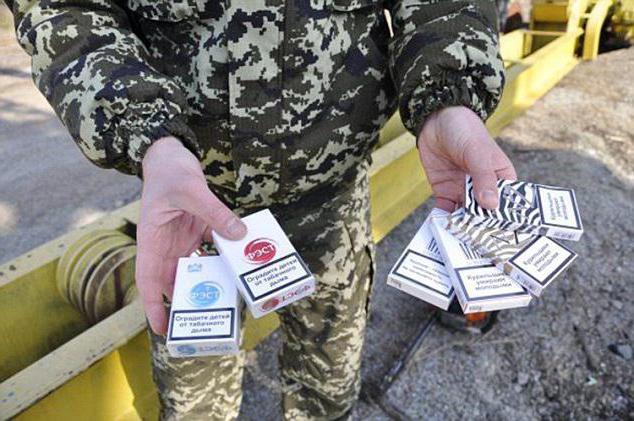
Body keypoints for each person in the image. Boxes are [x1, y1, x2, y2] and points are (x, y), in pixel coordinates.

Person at [7, 0, 515, 418]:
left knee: (328, 388)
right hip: (190, 207)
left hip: (330, 196)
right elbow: (64, 12)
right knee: (194, 405)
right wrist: (151, 139)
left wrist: (449, 98)